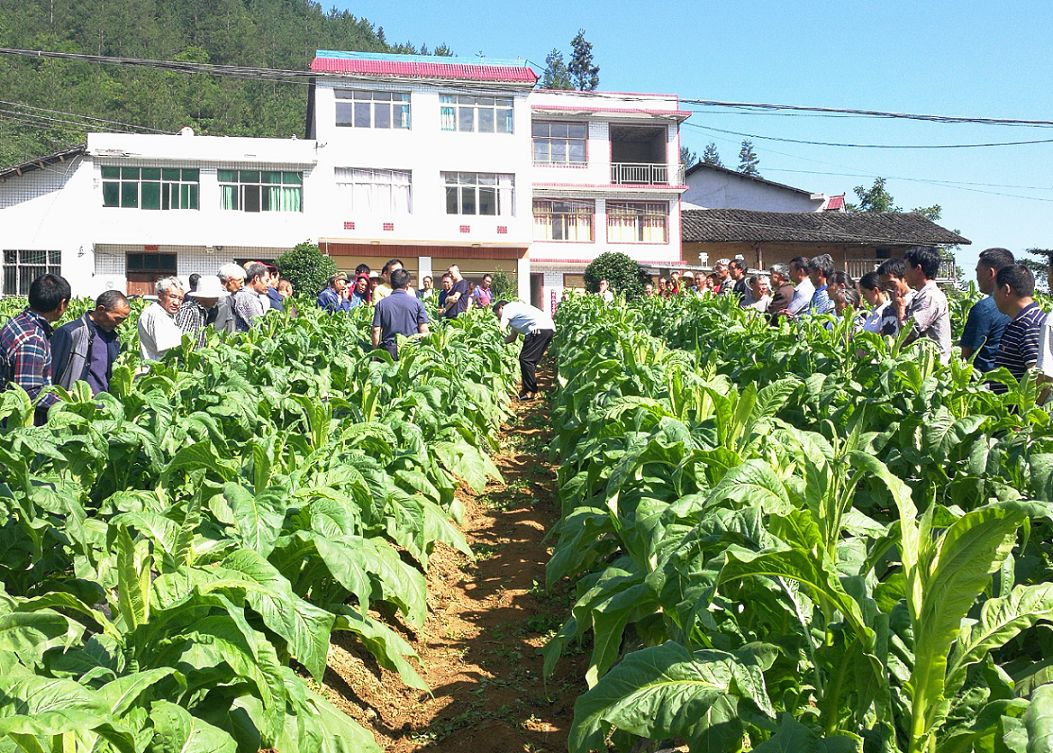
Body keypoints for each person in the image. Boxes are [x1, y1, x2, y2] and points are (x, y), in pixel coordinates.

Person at [0, 273, 71, 423]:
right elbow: (29, 393)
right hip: (17, 426)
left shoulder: (18, 321)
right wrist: (68, 402)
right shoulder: (33, 338)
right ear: (62, 304)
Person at [52, 290, 130, 394]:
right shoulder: (70, 333)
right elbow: (52, 375)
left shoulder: (113, 338)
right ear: (101, 309)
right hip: (75, 406)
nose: (119, 324)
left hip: (103, 406)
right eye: (117, 319)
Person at [893, 246, 952, 363]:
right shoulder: (924, 294)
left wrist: (900, 308)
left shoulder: (930, 296)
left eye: (907, 268)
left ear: (918, 268)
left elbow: (909, 332)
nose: (904, 274)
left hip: (931, 369)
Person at [960, 247, 1014, 373]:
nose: (977, 277)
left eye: (977, 271)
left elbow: (965, 357)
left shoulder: (983, 308)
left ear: (991, 273)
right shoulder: (1019, 306)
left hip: (983, 385)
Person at [493, 299, 556, 400]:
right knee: (530, 361)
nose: (498, 317)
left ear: (501, 307)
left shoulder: (509, 308)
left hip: (538, 329)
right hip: (547, 329)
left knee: (526, 359)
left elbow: (502, 328)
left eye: (497, 315)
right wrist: (496, 343)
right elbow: (512, 338)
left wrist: (493, 334)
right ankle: (528, 389)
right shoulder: (517, 314)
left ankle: (531, 391)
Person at [993, 264, 1045, 382]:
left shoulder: (1030, 325)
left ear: (1006, 290)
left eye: (994, 290)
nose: (993, 296)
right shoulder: (1022, 322)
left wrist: (1026, 401)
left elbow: (1040, 378)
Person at [371, 268, 429, 359]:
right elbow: (424, 331)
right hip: (411, 349)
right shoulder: (417, 303)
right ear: (407, 284)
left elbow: (376, 331)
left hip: (389, 351)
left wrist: (375, 353)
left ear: (391, 284)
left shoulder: (381, 304)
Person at [139, 276, 186, 360]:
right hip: (158, 371)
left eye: (180, 299)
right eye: (172, 296)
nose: (176, 303)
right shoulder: (157, 314)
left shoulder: (165, 313)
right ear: (160, 296)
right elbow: (169, 349)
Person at [175, 275, 225, 347]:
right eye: (215, 297)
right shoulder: (189, 310)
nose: (217, 300)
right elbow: (182, 340)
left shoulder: (203, 310)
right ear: (205, 296)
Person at [877, 258, 914, 336]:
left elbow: (912, 333)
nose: (888, 287)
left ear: (904, 278)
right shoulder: (887, 309)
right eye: (884, 285)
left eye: (891, 283)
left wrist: (900, 308)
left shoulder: (915, 300)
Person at [232, 263, 269, 331]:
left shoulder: (242, 295)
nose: (268, 285)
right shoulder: (248, 298)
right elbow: (257, 326)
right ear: (256, 278)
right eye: (266, 280)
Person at [213, 263, 246, 334]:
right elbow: (219, 326)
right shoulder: (222, 298)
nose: (242, 286)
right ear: (231, 281)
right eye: (240, 283)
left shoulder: (217, 294)